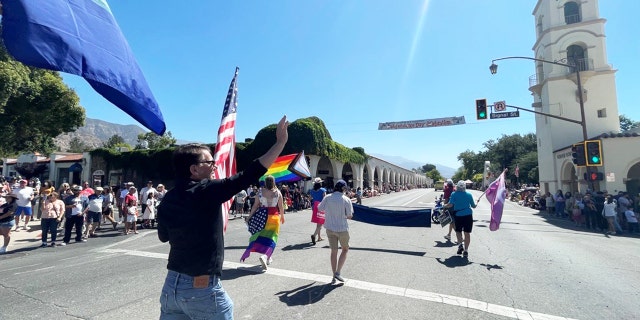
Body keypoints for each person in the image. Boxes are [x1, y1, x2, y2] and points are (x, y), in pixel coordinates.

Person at [156, 115, 288, 320]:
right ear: (194, 169)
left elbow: (163, 237)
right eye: (210, 162)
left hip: (171, 287)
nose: (215, 165)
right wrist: (280, 143)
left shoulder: (168, 198)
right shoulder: (206, 191)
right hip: (201, 289)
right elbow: (249, 174)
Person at [241, 175, 285, 270]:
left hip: (262, 217)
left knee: (261, 236)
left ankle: (267, 257)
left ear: (265, 183)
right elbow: (281, 207)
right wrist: (283, 217)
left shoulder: (260, 192)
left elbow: (255, 206)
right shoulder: (278, 192)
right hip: (274, 217)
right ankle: (266, 256)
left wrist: (249, 217)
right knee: (272, 238)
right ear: (273, 182)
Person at [318, 179, 353, 282]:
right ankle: (338, 272)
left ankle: (334, 275)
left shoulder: (327, 197)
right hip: (342, 228)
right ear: (343, 188)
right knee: (345, 249)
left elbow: (320, 208)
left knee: (334, 251)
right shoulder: (346, 200)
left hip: (329, 227)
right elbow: (350, 216)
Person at [444, 180, 477, 258]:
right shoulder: (469, 195)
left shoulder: (454, 194)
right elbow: (473, 206)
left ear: (457, 187)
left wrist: (444, 206)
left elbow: (450, 204)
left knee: (458, 231)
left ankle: (460, 245)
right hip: (468, 216)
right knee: (467, 233)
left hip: (458, 215)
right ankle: (466, 250)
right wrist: (477, 202)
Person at [309, 177, 327, 245]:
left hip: (315, 206)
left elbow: (310, 198)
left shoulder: (312, 190)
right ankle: (314, 235)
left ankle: (319, 237)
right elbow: (325, 198)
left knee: (318, 222)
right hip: (321, 206)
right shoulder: (323, 190)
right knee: (320, 222)